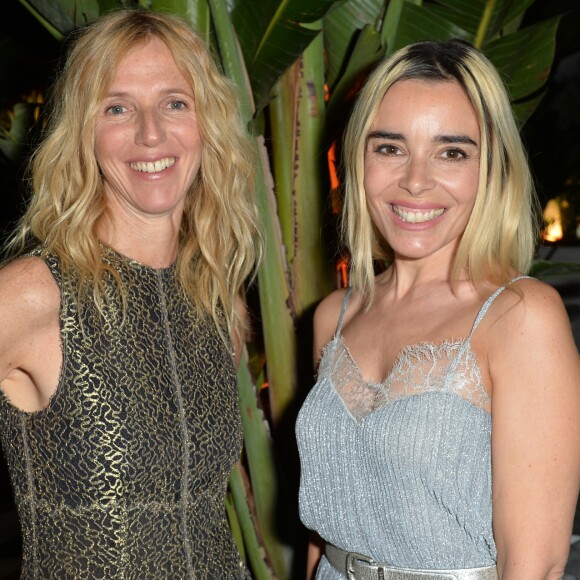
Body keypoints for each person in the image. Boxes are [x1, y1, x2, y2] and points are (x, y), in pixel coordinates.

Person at [296, 39, 580, 580]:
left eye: (452, 152)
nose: (416, 180)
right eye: (389, 148)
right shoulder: (333, 315)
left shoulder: (519, 317)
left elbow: (536, 564)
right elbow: (322, 532)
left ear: (491, 168)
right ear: (358, 160)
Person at [0, 9, 260, 578]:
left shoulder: (217, 299)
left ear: (206, 124)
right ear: (82, 132)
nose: (151, 133)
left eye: (175, 103)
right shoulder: (31, 294)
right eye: (117, 108)